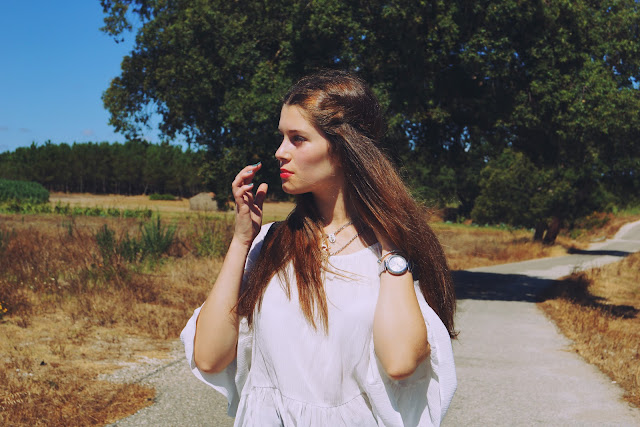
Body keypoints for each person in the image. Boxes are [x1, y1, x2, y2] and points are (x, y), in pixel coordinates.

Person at [181, 70, 457, 426]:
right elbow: (209, 357)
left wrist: (390, 244)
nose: (280, 152)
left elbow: (400, 361)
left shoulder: (392, 257)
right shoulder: (271, 244)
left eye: (297, 139)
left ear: (343, 148)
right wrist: (241, 240)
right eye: (282, 137)